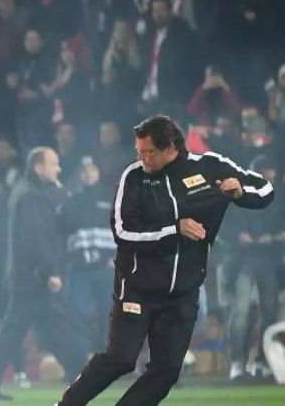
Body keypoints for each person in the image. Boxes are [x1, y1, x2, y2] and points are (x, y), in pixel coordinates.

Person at [57, 115, 275, 406]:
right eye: (139, 151)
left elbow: (265, 189)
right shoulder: (133, 177)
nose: (142, 158)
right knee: (120, 359)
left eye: (148, 152)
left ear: (171, 147)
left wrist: (241, 192)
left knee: (167, 371)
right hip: (137, 287)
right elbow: (122, 232)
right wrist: (174, 229)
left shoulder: (210, 166)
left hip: (183, 292)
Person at [0, 147, 89, 401]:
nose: (58, 169)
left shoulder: (31, 192)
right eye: (53, 164)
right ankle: (83, 379)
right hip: (33, 279)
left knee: (45, 330)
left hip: (29, 278)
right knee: (52, 329)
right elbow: (37, 238)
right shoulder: (31, 196)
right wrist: (50, 272)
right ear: (39, 167)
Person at [225, 155, 283, 380]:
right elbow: (224, 225)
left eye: (272, 171)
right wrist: (239, 236)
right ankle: (238, 362)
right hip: (243, 261)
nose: (271, 175)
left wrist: (276, 237)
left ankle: (263, 361)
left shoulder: (279, 197)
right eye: (266, 171)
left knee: (269, 311)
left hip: (269, 260)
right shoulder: (237, 194)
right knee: (240, 312)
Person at [61, 157, 117, 352]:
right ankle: (84, 355)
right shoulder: (70, 200)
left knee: (107, 314)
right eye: (84, 171)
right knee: (78, 312)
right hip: (79, 268)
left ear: (98, 173)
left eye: (92, 170)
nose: (88, 174)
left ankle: (103, 357)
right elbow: (62, 233)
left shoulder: (112, 197)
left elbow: (126, 229)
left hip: (106, 267)